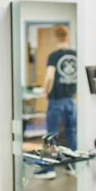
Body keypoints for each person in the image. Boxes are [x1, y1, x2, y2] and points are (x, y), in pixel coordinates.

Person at [34, 25, 78, 180]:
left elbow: (49, 77)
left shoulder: (54, 56)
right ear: (68, 37)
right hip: (71, 100)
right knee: (71, 133)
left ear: (55, 38)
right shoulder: (76, 54)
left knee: (51, 134)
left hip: (56, 100)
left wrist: (45, 91)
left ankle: (49, 169)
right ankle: (72, 166)